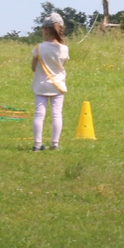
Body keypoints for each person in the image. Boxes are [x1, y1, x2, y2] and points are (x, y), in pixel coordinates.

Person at [30, 12, 69, 152]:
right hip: (57, 86)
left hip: (41, 86)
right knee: (57, 114)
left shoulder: (38, 48)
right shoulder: (64, 49)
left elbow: (33, 67)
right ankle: (54, 143)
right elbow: (62, 65)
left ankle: (37, 144)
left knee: (39, 115)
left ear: (45, 30)